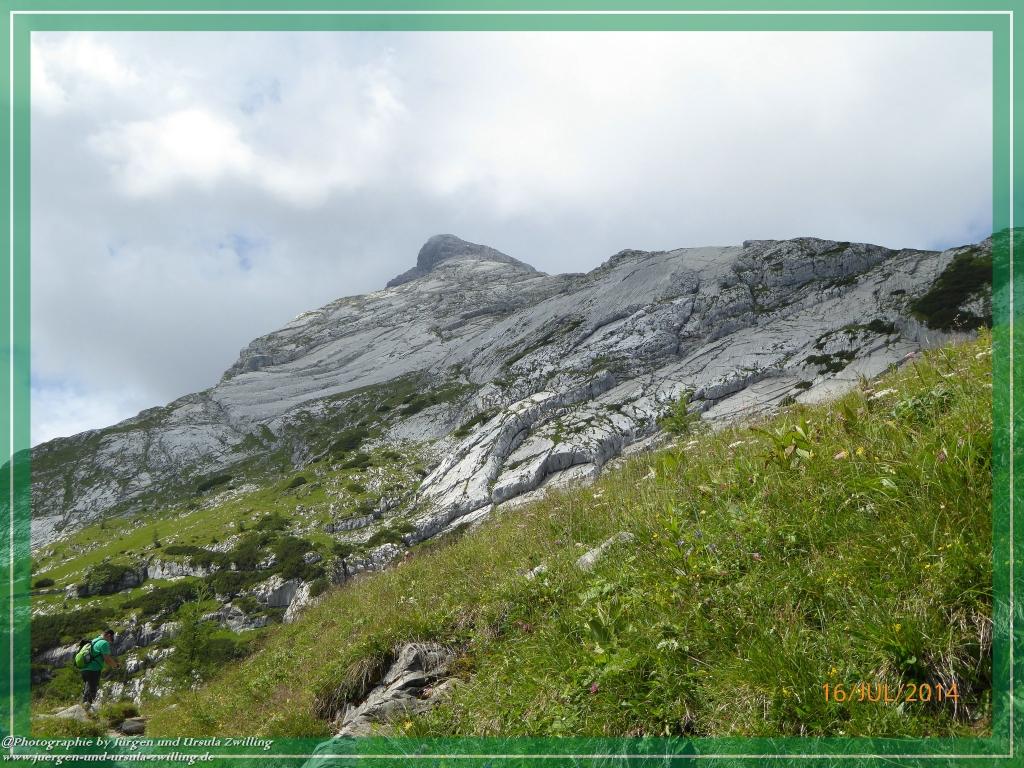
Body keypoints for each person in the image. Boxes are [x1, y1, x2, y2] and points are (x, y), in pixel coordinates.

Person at [80, 628, 119, 709]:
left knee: (87, 689)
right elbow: (107, 659)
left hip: (84, 668)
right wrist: (115, 665)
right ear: (108, 635)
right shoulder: (104, 643)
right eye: (111, 638)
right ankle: (86, 710)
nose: (110, 641)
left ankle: (85, 707)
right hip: (93, 669)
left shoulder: (94, 640)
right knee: (91, 690)